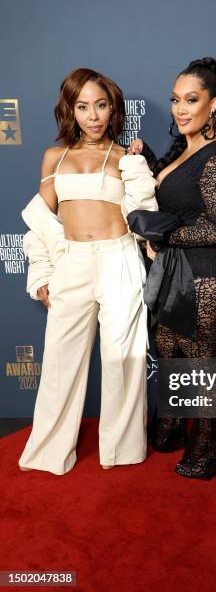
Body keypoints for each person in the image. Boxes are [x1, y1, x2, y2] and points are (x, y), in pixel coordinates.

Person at [18, 68, 157, 475]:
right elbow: (40, 222)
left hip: (118, 259)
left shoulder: (125, 157)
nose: (93, 115)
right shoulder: (53, 157)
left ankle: (123, 450)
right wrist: (41, 274)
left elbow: (144, 216)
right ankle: (48, 451)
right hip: (72, 263)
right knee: (61, 361)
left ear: (113, 108)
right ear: (70, 109)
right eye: (83, 106)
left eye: (101, 105)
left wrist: (136, 168)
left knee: (123, 358)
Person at [129, 57, 216, 479]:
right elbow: (174, 194)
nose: (180, 109)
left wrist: (163, 235)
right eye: (175, 100)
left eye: (191, 100)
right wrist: (148, 156)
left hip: (207, 276)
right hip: (179, 274)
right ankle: (172, 429)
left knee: (200, 364)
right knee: (169, 351)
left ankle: (211, 451)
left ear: (213, 105)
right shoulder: (186, 150)